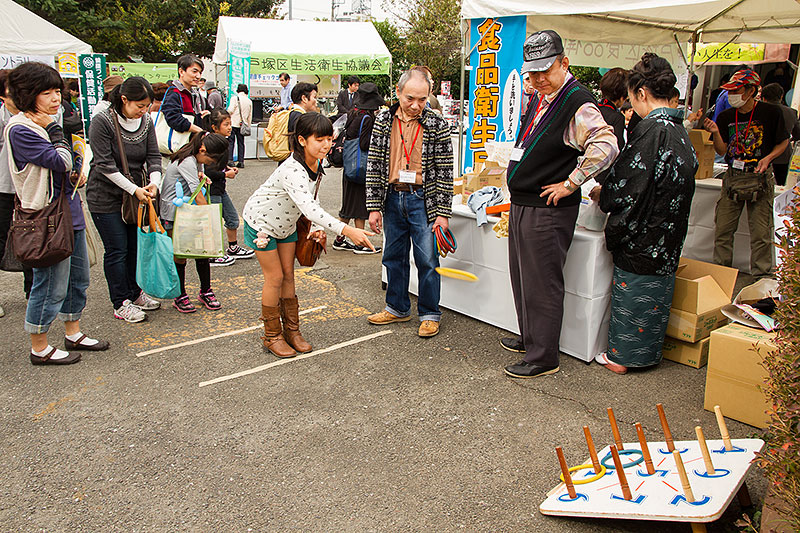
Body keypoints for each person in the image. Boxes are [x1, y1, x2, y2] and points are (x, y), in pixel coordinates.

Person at [500, 30, 619, 378]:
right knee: (523, 278)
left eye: (545, 71)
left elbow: (606, 145)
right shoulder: (542, 95)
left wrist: (572, 182)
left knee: (542, 282)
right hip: (525, 201)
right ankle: (530, 338)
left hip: (548, 209)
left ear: (564, 63)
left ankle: (543, 356)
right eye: (532, 72)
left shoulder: (576, 101)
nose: (538, 79)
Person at [592, 53, 698, 374]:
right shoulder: (679, 130)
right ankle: (649, 353)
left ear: (640, 93)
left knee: (634, 291)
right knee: (657, 293)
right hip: (669, 230)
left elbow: (628, 183)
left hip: (644, 233)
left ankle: (622, 357)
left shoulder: (651, 131)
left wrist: (603, 192)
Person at [242, 112, 375, 357]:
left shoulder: (316, 162)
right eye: (319, 139)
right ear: (302, 140)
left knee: (289, 275)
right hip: (263, 224)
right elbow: (308, 207)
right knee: (275, 278)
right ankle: (272, 336)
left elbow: (313, 199)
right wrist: (346, 230)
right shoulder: (292, 169)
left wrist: (317, 229)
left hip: (287, 225)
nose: (327, 145)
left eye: (329, 139)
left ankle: (292, 331)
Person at [6, 61, 109, 364]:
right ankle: (39, 346)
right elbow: (61, 160)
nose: (55, 99)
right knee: (50, 282)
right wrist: (57, 133)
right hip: (45, 218)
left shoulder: (44, 124)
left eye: (57, 92)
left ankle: (73, 331)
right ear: (29, 94)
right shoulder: (21, 128)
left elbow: (70, 164)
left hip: (68, 208)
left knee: (78, 277)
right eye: (46, 92)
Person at [365, 69, 454, 338]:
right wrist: (373, 205)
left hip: (422, 199)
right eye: (410, 99)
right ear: (398, 93)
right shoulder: (382, 120)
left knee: (427, 258)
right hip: (392, 196)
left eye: (422, 100)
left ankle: (429, 313)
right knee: (393, 256)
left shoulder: (437, 123)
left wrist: (443, 213)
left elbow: (445, 171)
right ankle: (397, 307)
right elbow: (374, 164)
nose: (416, 105)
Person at [86, 76, 162, 323]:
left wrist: (154, 182)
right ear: (124, 99)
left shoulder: (146, 121)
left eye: (147, 106)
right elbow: (105, 165)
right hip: (105, 197)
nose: (143, 111)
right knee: (117, 250)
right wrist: (134, 189)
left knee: (133, 247)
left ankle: (135, 292)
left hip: (136, 194)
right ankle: (120, 302)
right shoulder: (102, 122)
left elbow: (153, 155)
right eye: (139, 106)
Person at [703, 69, 788, 278]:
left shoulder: (771, 113)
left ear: (751, 90)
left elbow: (783, 141)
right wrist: (715, 132)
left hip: (759, 177)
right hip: (733, 177)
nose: (732, 95)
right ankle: (721, 274)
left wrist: (768, 158)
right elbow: (722, 151)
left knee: (760, 233)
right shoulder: (725, 116)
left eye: (737, 90)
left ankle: (761, 277)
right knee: (723, 230)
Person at [160, 132, 229, 313]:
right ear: (203, 150)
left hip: (187, 209)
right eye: (211, 159)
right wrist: (209, 218)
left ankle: (205, 290)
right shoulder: (187, 161)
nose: (211, 163)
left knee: (202, 252)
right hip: (175, 213)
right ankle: (179, 294)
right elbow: (196, 193)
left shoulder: (194, 158)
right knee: (180, 254)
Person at [332, 82, 384, 255]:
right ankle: (360, 243)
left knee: (348, 206)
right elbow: (364, 143)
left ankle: (339, 239)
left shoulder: (353, 113)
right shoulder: (367, 118)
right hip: (360, 168)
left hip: (350, 166)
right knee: (360, 207)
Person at [0, 69, 35, 315]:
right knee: (1, 241)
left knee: (33, 241)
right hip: (3, 187)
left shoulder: (33, 116)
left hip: (28, 190)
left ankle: (32, 293)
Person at [204, 108, 254, 265]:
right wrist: (225, 174)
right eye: (226, 124)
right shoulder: (208, 144)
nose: (229, 127)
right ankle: (212, 254)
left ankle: (232, 248)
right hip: (211, 190)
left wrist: (228, 169)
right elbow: (207, 170)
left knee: (232, 219)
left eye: (230, 124)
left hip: (220, 189)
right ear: (214, 127)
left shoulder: (223, 142)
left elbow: (218, 166)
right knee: (213, 223)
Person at [761, 82, 800, 186]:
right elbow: (798, 134)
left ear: (763, 98)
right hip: (783, 157)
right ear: (782, 96)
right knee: (780, 186)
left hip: (761, 154)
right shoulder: (791, 112)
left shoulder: (759, 111)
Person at [160, 54, 207, 140]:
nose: (198, 76)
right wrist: (198, 130)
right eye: (194, 71)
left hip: (190, 144)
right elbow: (173, 118)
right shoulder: (174, 93)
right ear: (181, 72)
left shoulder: (194, 94)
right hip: (178, 146)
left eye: (200, 72)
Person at [596, 68, 627, 184]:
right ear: (622, 97)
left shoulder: (592, 108)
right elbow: (617, 148)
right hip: (602, 175)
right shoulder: (617, 117)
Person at [227, 83, 252, 168]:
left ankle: (230, 160)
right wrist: (248, 125)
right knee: (241, 143)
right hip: (243, 125)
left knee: (231, 142)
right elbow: (250, 116)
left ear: (238, 90)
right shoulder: (249, 101)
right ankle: (241, 161)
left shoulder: (235, 98)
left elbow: (230, 110)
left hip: (234, 123)